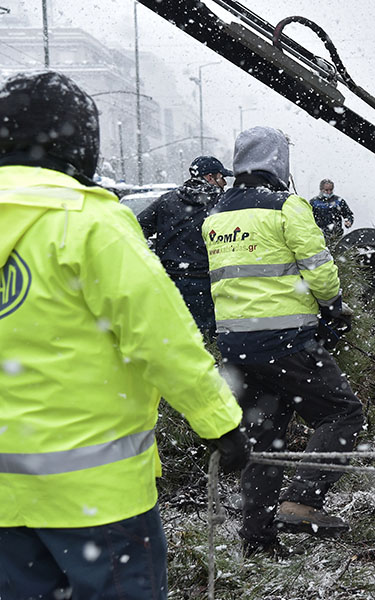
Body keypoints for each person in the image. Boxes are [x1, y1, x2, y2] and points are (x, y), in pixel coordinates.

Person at [0, 71, 247, 599]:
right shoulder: (89, 224)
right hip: (95, 499)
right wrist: (219, 423)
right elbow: (162, 341)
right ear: (82, 144)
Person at [203, 126, 365, 557]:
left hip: (236, 348)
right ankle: (303, 499)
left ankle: (257, 542)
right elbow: (319, 268)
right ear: (279, 163)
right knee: (343, 414)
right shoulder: (286, 206)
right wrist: (334, 308)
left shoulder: (217, 214)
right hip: (287, 342)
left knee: (265, 439)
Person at [137, 155, 233, 340]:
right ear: (210, 177)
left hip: (172, 284)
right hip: (211, 286)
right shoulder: (223, 203)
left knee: (178, 340)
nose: (225, 183)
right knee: (211, 343)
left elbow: (135, 228)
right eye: (222, 177)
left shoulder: (167, 200)